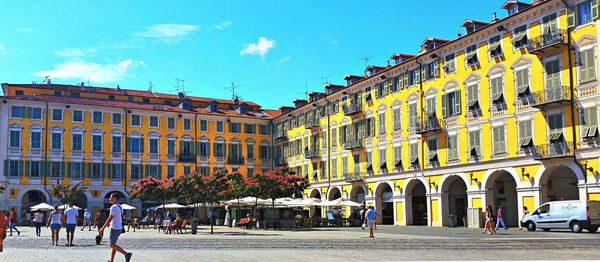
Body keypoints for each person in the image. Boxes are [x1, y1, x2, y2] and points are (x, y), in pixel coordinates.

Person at [99, 193, 132, 262]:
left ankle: (126, 254)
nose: (109, 199)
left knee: (112, 245)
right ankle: (111, 260)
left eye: (110, 198)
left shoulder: (114, 207)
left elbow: (110, 218)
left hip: (114, 228)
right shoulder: (120, 206)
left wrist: (102, 228)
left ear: (114, 198)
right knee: (114, 245)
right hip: (119, 227)